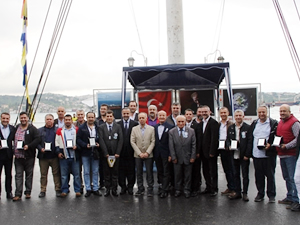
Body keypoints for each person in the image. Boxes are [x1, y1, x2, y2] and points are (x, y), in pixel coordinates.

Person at [248, 106, 278, 203]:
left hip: (268, 155)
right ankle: (260, 194)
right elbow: (250, 138)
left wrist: (271, 145)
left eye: (263, 112)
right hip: (256, 155)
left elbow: (278, 137)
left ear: (267, 112)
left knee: (270, 176)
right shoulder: (254, 123)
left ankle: (271, 195)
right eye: (260, 112)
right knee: (259, 176)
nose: (261, 114)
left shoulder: (273, 123)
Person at [274, 104, 299, 209]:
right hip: (282, 154)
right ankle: (290, 196)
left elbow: (298, 139)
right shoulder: (280, 122)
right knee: (287, 177)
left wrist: (287, 146)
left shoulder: (295, 123)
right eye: (281, 111)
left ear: (289, 111)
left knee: (293, 178)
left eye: (284, 111)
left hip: (291, 154)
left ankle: (296, 200)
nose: (282, 113)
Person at [13, 112, 40, 201]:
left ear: (28, 118)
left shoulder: (32, 129)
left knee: (29, 175)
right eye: (21, 118)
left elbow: (37, 139)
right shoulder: (16, 128)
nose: (23, 119)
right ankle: (18, 194)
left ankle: (28, 192)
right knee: (18, 175)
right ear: (19, 118)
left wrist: (29, 146)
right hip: (18, 156)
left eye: (25, 118)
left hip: (29, 156)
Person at [226, 110, 251, 201]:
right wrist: (228, 146)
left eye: (240, 115)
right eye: (236, 115)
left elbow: (249, 142)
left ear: (243, 116)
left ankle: (245, 193)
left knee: (245, 175)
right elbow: (228, 139)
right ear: (234, 117)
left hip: (244, 155)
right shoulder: (231, 127)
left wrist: (247, 154)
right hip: (234, 154)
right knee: (235, 174)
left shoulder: (248, 127)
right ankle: (237, 192)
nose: (238, 117)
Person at [169, 115, 196, 198]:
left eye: (182, 121)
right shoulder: (171, 132)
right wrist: (173, 157)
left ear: (185, 122)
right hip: (177, 157)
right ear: (176, 122)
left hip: (188, 157)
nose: (181, 123)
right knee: (177, 175)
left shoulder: (191, 131)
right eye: (179, 121)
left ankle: (187, 190)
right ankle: (178, 190)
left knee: (188, 175)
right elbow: (171, 146)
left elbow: (194, 145)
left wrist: (193, 156)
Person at [76, 112, 102, 197]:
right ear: (86, 118)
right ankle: (88, 189)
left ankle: (95, 188)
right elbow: (78, 139)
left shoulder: (98, 127)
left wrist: (99, 144)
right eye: (89, 117)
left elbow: (101, 137)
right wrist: (84, 145)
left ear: (94, 118)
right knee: (86, 171)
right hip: (85, 152)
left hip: (95, 152)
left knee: (95, 171)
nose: (91, 119)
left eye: (92, 117)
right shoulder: (82, 127)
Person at [55, 114, 81, 197]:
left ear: (72, 121)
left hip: (74, 156)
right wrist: (58, 152)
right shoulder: (59, 131)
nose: (67, 121)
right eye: (66, 120)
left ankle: (77, 190)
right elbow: (57, 143)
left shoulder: (76, 130)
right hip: (64, 156)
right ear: (64, 121)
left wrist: (77, 146)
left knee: (77, 175)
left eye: (69, 119)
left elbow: (80, 141)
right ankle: (64, 190)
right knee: (64, 176)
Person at [99, 110, 123, 197]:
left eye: (110, 116)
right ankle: (107, 189)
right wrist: (105, 153)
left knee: (115, 172)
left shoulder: (118, 126)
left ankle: (114, 189)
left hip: (115, 154)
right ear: (105, 117)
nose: (109, 118)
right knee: (106, 173)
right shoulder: (101, 127)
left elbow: (121, 140)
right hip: (106, 154)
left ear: (113, 117)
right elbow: (101, 140)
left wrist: (117, 152)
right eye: (107, 116)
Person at [37, 114, 61, 198]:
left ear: (53, 120)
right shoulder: (39, 130)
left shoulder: (57, 130)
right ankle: (43, 190)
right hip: (43, 156)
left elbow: (59, 141)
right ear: (45, 120)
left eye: (50, 119)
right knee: (43, 175)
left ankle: (57, 189)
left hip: (54, 155)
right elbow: (37, 142)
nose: (49, 121)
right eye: (47, 119)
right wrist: (40, 149)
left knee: (56, 174)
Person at [131, 112, 155, 197]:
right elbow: (132, 142)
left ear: (146, 119)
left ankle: (150, 189)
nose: (141, 119)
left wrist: (147, 152)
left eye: (143, 118)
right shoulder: (134, 129)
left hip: (149, 154)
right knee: (139, 172)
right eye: (140, 118)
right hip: (138, 155)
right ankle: (140, 188)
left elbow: (153, 141)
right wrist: (139, 153)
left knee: (149, 172)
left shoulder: (151, 129)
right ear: (138, 119)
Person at [199, 105, 219, 197]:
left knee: (213, 171)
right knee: (205, 171)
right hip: (203, 153)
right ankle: (208, 187)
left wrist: (212, 152)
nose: (204, 113)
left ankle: (214, 188)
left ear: (210, 112)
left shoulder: (213, 123)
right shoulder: (201, 123)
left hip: (211, 152)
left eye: (205, 112)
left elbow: (214, 138)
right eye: (202, 112)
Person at [117, 108, 138, 195]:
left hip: (131, 151)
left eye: (127, 113)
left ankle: (130, 187)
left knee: (131, 170)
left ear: (130, 114)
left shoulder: (135, 124)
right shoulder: (117, 124)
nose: (126, 115)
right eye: (124, 113)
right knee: (121, 171)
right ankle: (123, 187)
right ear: (122, 114)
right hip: (120, 152)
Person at [153, 110, 174, 198]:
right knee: (160, 171)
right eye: (160, 115)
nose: (161, 117)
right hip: (157, 153)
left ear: (166, 117)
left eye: (163, 116)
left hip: (166, 153)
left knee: (166, 171)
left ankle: (165, 190)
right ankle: (161, 186)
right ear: (157, 116)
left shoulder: (171, 127)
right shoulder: (154, 127)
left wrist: (170, 154)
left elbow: (171, 142)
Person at [185, 108, 202, 197]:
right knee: (187, 171)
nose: (188, 116)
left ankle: (196, 188)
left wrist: (197, 152)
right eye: (187, 114)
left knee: (196, 170)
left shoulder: (196, 125)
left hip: (194, 152)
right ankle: (187, 187)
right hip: (185, 153)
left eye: (190, 114)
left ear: (193, 116)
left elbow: (198, 140)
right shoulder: (181, 125)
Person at [218, 107, 234, 196]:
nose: (223, 114)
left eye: (225, 112)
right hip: (222, 149)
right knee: (226, 169)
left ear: (228, 113)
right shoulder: (218, 124)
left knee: (232, 169)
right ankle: (230, 186)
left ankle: (234, 187)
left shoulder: (231, 124)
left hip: (230, 149)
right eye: (222, 113)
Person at [0, 112, 16, 199]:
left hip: (8, 155)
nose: (5, 120)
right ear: (1, 118)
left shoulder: (12, 128)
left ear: (9, 119)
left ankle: (9, 192)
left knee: (8, 175)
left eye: (7, 118)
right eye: (4, 118)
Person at [96, 103, 108, 190]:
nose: (103, 110)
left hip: (109, 147)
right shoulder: (96, 121)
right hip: (99, 147)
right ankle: (101, 183)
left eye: (104, 109)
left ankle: (109, 183)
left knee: (109, 166)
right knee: (100, 167)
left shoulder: (110, 119)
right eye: (101, 109)